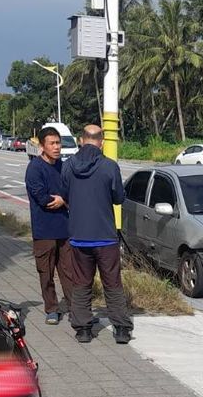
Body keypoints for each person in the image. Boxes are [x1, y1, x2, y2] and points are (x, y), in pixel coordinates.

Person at [60, 124, 130, 344]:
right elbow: (119, 197)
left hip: (79, 235)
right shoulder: (110, 167)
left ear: (81, 140)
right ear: (101, 141)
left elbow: (65, 194)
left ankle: (83, 329)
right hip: (106, 236)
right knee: (112, 283)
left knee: (81, 283)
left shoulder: (68, 166)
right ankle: (121, 330)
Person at [24, 126, 74, 325]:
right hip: (44, 230)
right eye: (52, 143)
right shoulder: (35, 168)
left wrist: (64, 200)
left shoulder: (64, 166)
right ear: (42, 146)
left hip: (65, 229)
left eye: (58, 143)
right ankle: (52, 309)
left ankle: (74, 307)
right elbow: (43, 198)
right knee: (46, 272)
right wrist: (61, 200)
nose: (56, 147)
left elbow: (71, 192)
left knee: (70, 271)